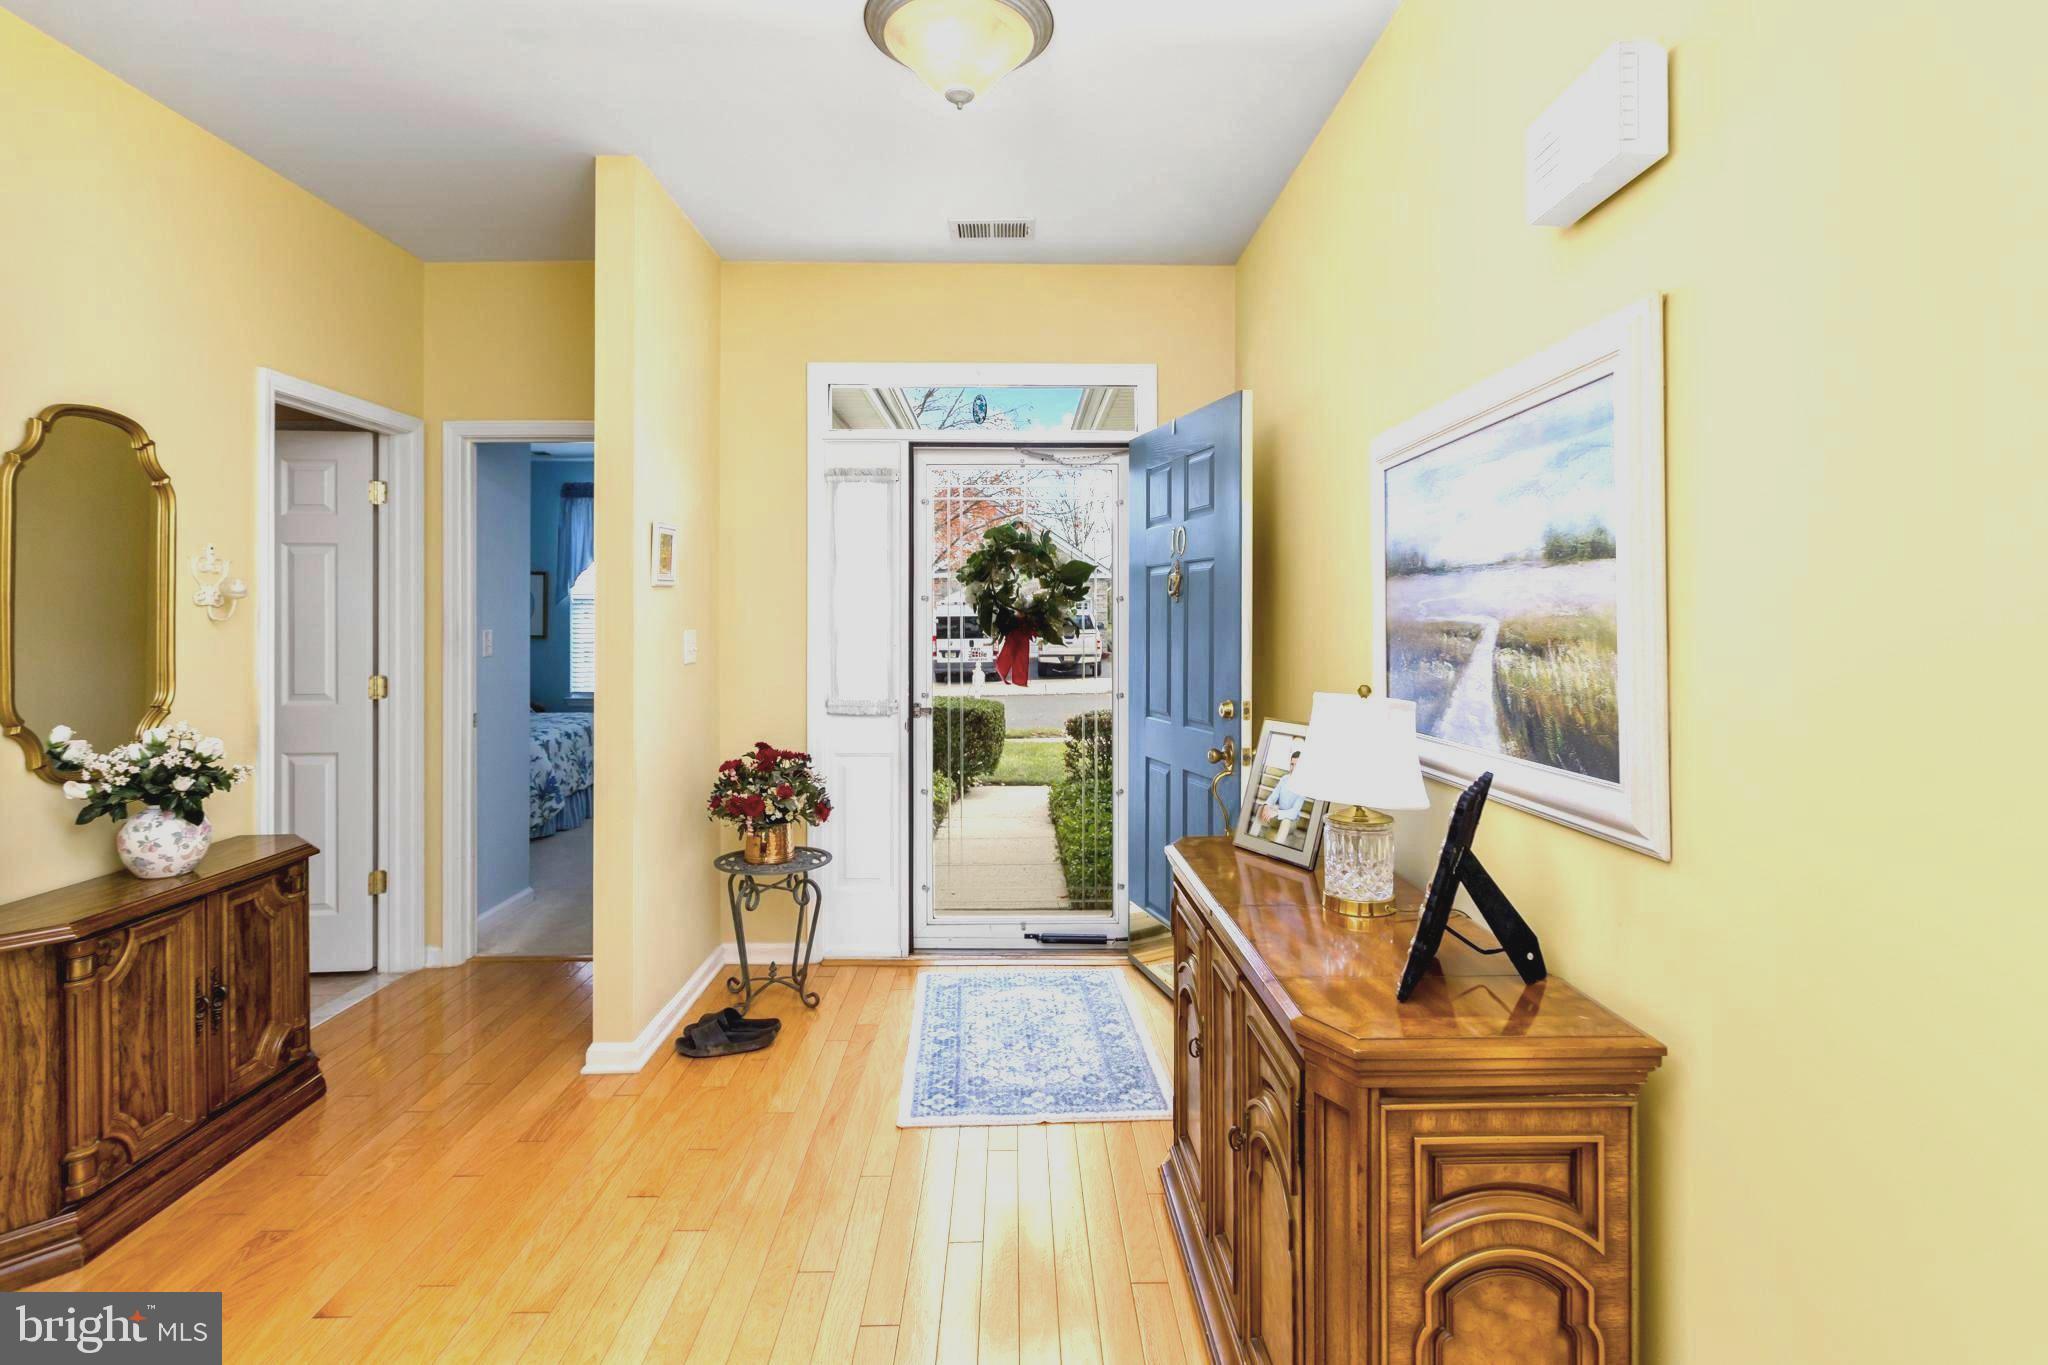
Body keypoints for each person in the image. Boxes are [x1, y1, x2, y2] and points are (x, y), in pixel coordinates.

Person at [1257, 748, 1307, 847]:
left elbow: (1294, 812)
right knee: (1261, 809)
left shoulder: (1303, 786)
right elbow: (1274, 796)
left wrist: (1276, 812)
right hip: (1278, 814)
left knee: (1286, 821)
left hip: (1291, 821)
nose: (1293, 768)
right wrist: (1267, 806)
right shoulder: (1284, 779)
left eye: (1297, 765)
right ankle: (1250, 842)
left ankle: (1275, 850)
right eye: (1292, 764)